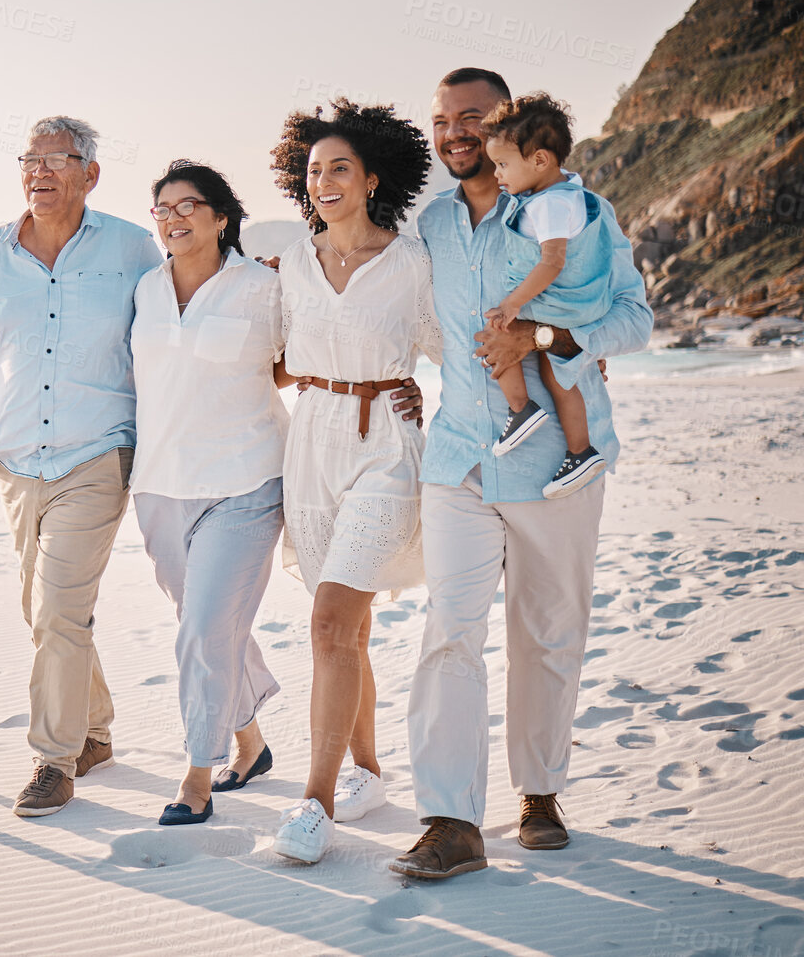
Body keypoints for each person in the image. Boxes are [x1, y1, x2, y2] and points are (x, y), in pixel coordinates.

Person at [393, 67, 651, 881]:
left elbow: (635, 319)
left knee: (548, 634)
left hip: (555, 466)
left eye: (470, 117)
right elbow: (387, 302)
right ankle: (451, 817)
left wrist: (542, 339)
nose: (453, 132)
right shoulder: (429, 225)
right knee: (449, 633)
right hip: (460, 453)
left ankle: (538, 793)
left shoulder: (571, 211)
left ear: (503, 123)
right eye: (440, 120)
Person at [0, 115, 163, 817]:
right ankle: (92, 733)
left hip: (99, 452)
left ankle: (52, 760)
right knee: (43, 610)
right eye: (29, 159)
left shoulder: (132, 249)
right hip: (17, 461)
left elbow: (173, 334)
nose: (39, 172)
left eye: (56, 159)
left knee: (60, 610)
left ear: (90, 173)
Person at [266, 98, 439, 865]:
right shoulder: (290, 264)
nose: (324, 181)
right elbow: (266, 359)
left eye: (340, 168)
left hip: (385, 452)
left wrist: (423, 391)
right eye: (313, 171)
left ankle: (316, 802)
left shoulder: (412, 266)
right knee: (351, 628)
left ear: (373, 178)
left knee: (330, 626)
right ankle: (368, 769)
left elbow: (455, 352)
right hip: (310, 445)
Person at [129, 161, 288, 825]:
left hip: (245, 481)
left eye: (188, 204)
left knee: (202, 630)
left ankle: (197, 774)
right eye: (161, 208)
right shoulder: (143, 289)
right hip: (160, 485)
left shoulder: (264, 287)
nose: (173, 217)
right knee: (209, 628)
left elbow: (300, 361)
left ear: (222, 217)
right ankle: (250, 744)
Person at [479, 92, 615, 498]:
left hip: (559, 303)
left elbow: (552, 261)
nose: (498, 175)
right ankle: (580, 450)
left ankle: (520, 411)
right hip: (577, 308)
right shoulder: (569, 194)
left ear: (539, 160)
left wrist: (513, 303)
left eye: (503, 165)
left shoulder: (549, 205)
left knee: (496, 336)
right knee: (558, 377)